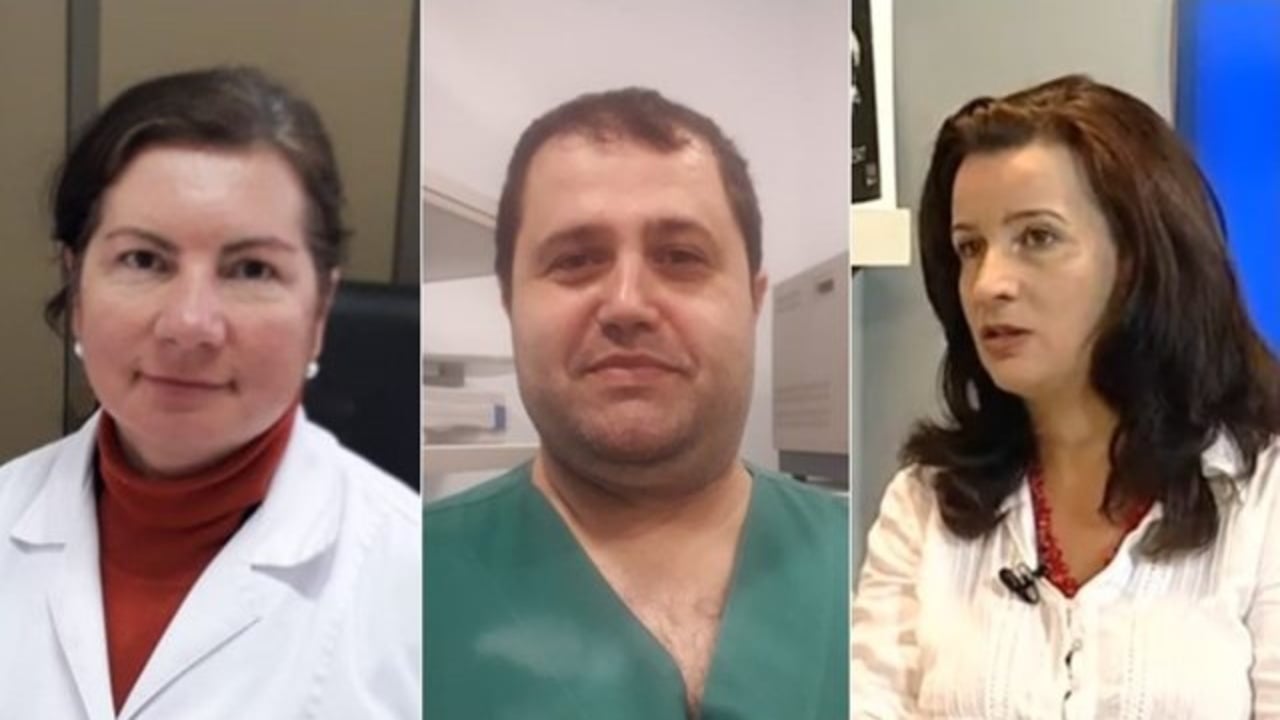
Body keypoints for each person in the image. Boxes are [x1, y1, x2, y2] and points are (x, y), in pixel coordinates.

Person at [851, 74, 1280, 718]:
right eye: (970, 247)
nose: (988, 283)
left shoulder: (1264, 493)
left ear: (1136, 257)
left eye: (1037, 237)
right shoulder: (925, 501)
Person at [0, 67, 420, 718]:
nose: (190, 324)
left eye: (251, 269)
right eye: (144, 260)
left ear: (319, 309)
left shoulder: (421, 581)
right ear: (77, 288)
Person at [424, 88, 849, 719]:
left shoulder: (871, 561)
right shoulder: (395, 585)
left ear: (754, 301)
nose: (627, 303)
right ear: (510, 303)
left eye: (680, 257)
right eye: (575, 260)